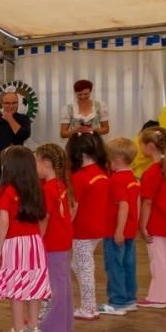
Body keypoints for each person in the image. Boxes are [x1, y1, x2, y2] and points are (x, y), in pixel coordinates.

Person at [0, 146, 51, 332]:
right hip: (35, 242)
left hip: (15, 243)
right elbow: (43, 217)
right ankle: (33, 326)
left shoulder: (6, 190)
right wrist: (38, 238)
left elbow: (4, 221)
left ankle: (17, 330)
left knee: (16, 286)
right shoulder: (36, 188)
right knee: (35, 284)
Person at [65, 133, 110, 321]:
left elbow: (73, 206)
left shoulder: (79, 177)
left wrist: (65, 227)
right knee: (80, 264)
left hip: (82, 230)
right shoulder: (102, 174)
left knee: (84, 267)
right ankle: (89, 305)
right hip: (98, 227)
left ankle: (89, 307)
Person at [34, 143, 75, 332]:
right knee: (63, 282)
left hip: (53, 241)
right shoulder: (61, 184)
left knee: (57, 285)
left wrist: (37, 239)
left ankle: (54, 325)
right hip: (64, 239)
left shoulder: (49, 188)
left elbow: (45, 217)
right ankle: (65, 322)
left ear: (46, 163)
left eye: (36, 162)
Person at [136, 127, 166, 310]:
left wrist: (143, 225)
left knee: (157, 260)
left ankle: (160, 297)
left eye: (142, 145)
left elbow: (147, 202)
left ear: (151, 146)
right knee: (165, 258)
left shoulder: (152, 172)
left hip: (156, 221)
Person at [99, 138, 141, 315]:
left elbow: (123, 205)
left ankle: (117, 301)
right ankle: (130, 298)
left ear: (116, 160)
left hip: (116, 231)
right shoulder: (134, 178)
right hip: (130, 230)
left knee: (114, 265)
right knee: (129, 264)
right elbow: (136, 203)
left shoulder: (116, 180)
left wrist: (118, 231)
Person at [0, 92, 32, 195]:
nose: (11, 106)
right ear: (1, 104)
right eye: (7, 103)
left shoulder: (24, 119)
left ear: (18, 103)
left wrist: (10, 119)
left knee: (12, 194)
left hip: (14, 165)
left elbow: (23, 135)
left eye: (14, 103)